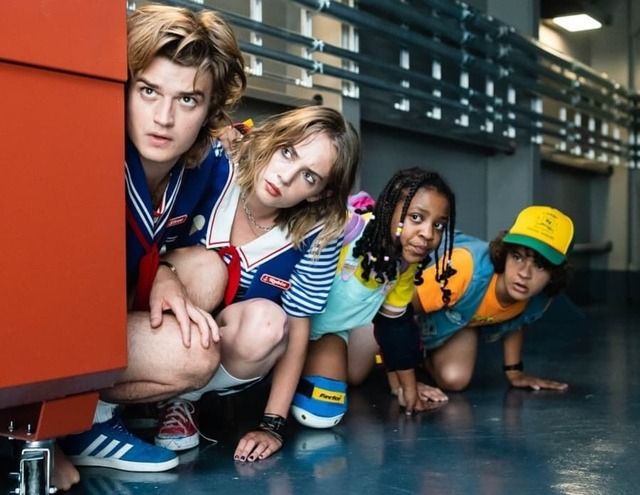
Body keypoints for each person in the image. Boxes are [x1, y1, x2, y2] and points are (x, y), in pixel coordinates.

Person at [55, 4, 246, 488]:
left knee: (204, 288)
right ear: (123, 88)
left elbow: (168, 245)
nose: (164, 118)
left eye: (188, 100)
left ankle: (90, 422)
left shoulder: (207, 169)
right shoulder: (84, 146)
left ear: (209, 109)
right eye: (148, 91)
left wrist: (163, 270)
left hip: (112, 325)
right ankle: (48, 427)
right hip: (52, 327)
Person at [152, 105, 360, 462]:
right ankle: (122, 392)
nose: (285, 176)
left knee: (269, 322)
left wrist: (272, 424)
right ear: (274, 140)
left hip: (221, 348)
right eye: (288, 152)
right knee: (206, 269)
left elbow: (297, 327)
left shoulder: (319, 233)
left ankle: (180, 400)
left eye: (309, 176)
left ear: (320, 194)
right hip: (153, 320)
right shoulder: (215, 163)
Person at [290, 168, 455, 429]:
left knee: (321, 416)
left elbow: (396, 327)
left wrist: (409, 390)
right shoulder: (347, 229)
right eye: (416, 217)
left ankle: (301, 372)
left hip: (326, 337)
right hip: (286, 326)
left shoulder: (405, 266)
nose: (428, 233)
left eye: (438, 225)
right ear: (389, 210)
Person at [413, 205, 574, 397]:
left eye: (540, 266)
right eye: (517, 257)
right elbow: (392, 311)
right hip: (382, 309)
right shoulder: (463, 269)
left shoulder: (540, 297)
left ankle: (416, 359)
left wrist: (515, 373)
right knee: (372, 359)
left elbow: (516, 321)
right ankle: (396, 362)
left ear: (554, 275)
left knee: (454, 378)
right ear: (504, 253)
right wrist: (403, 383)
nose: (524, 273)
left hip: (443, 324)